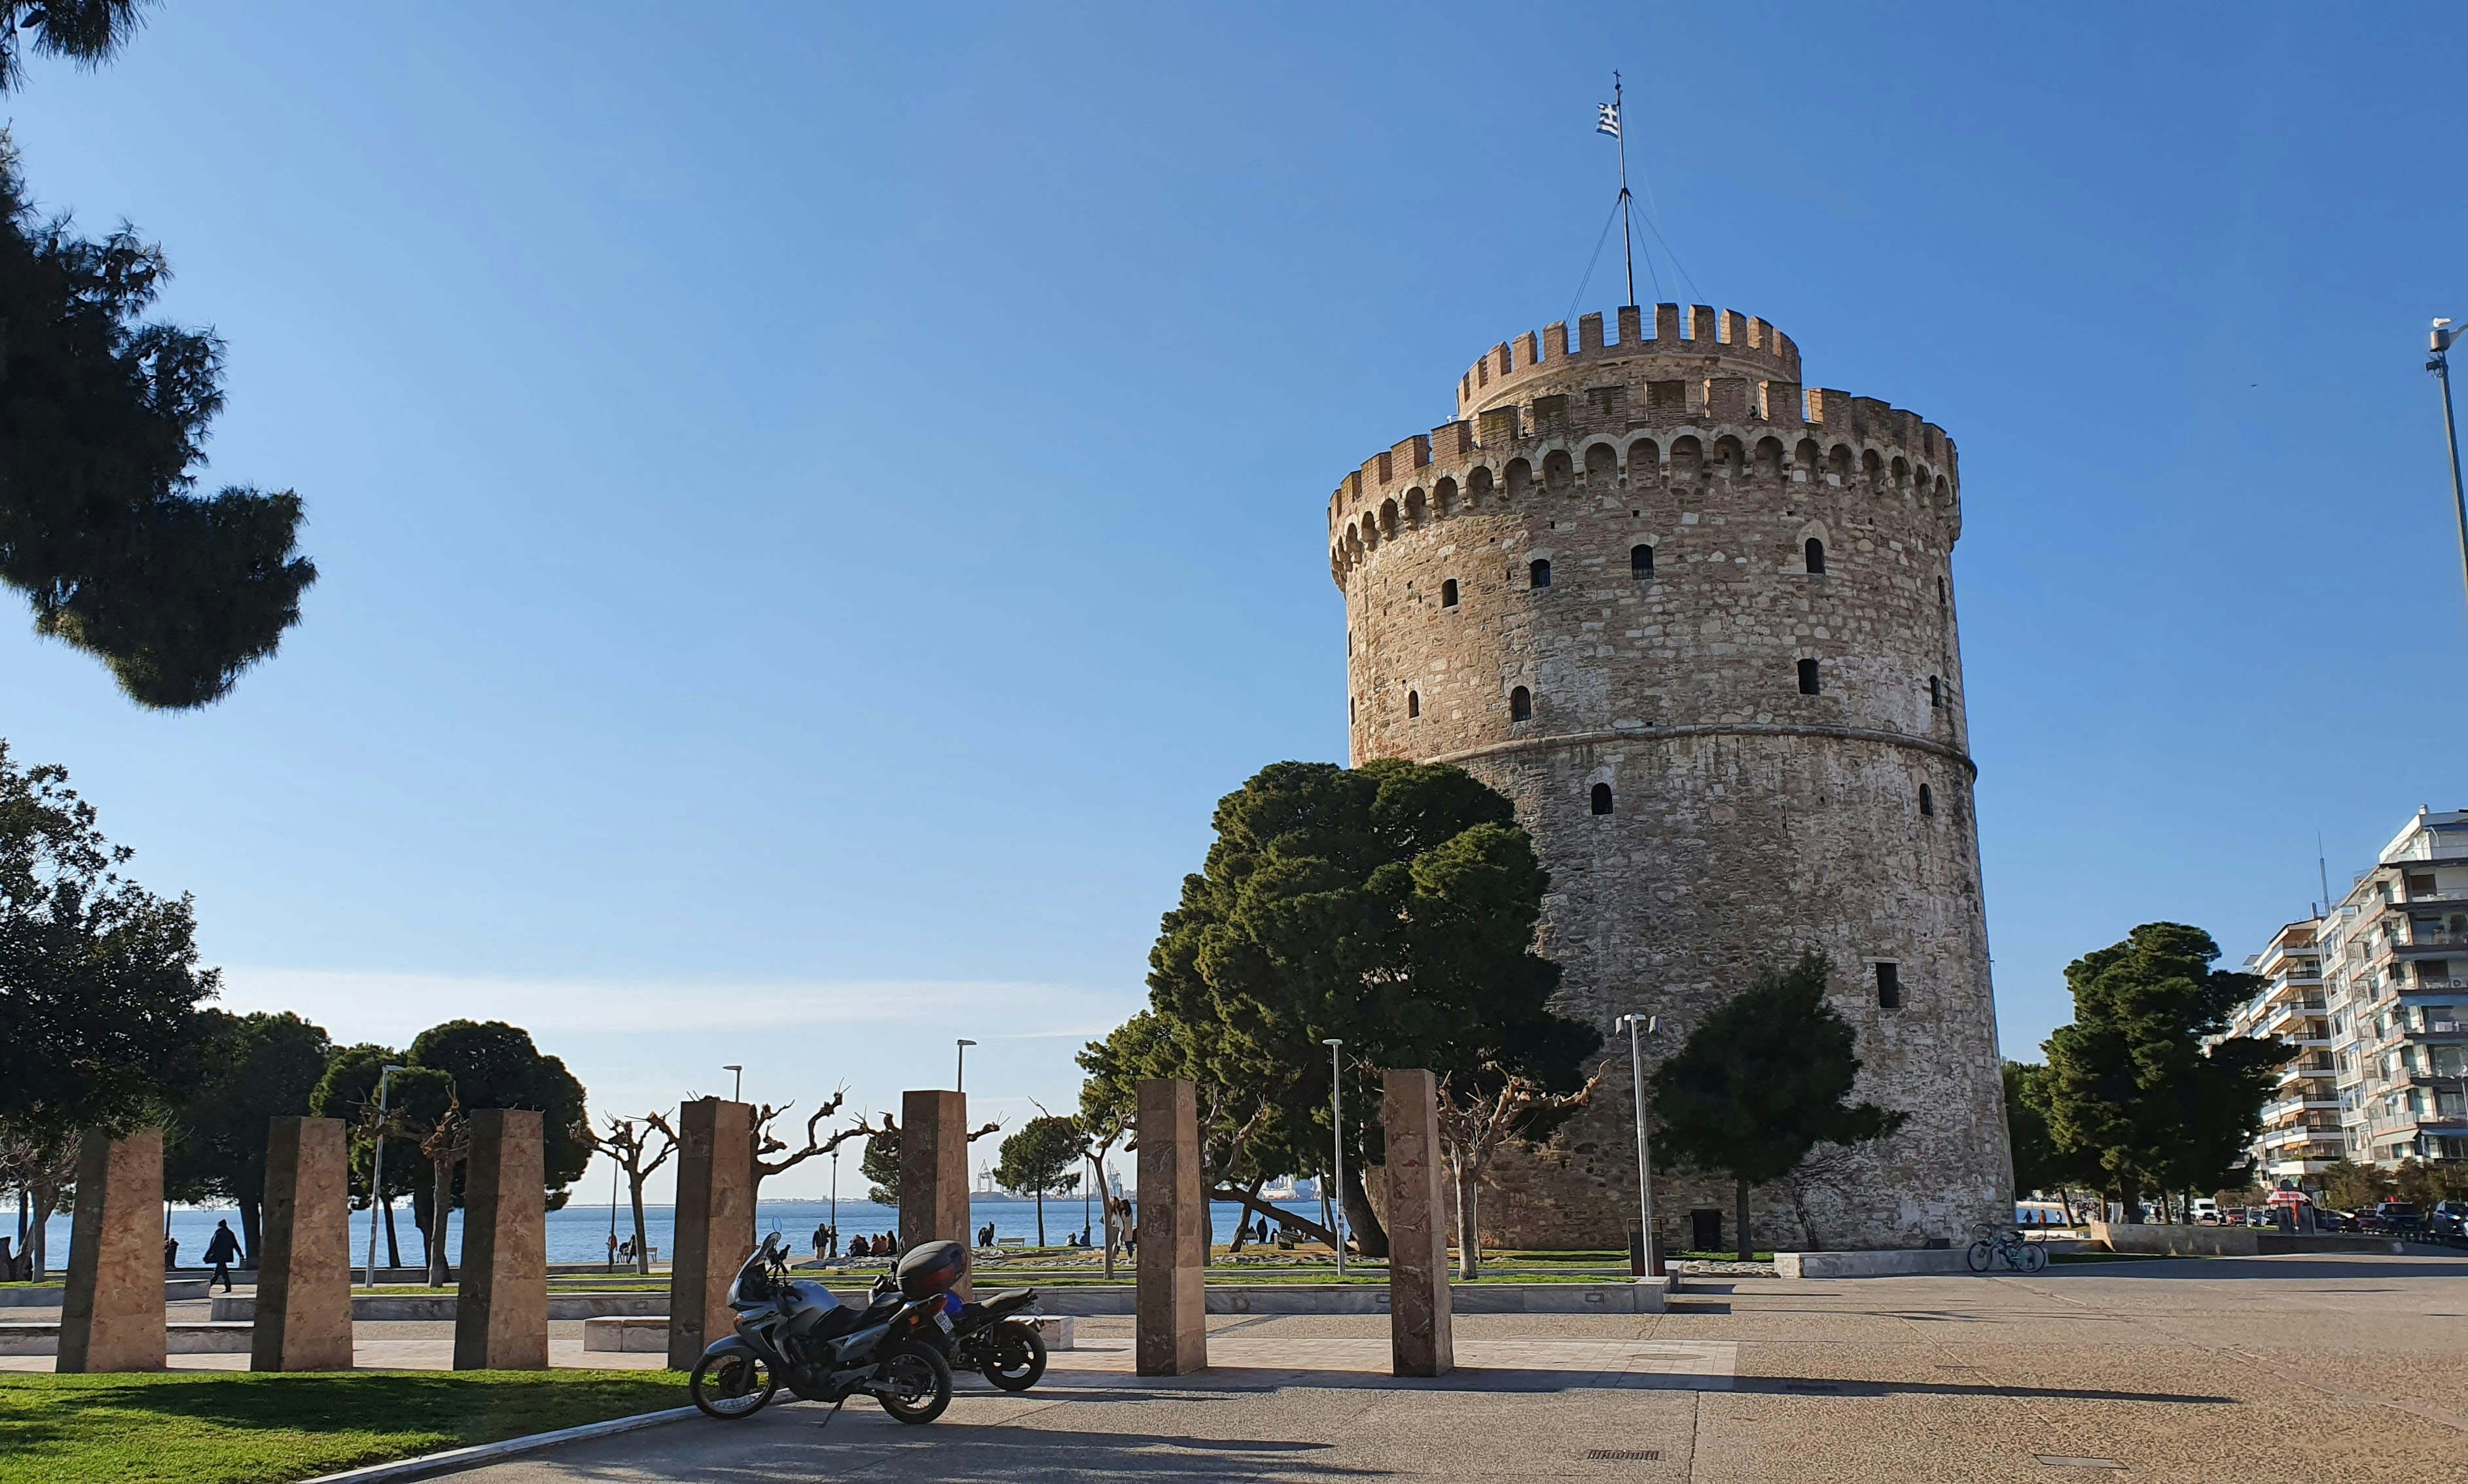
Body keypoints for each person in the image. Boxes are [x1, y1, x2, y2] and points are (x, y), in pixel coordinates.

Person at [203, 1220, 241, 1293]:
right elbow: (235, 1245)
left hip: (219, 1256)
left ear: (219, 1225)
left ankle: (207, 1287)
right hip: (227, 1256)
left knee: (220, 1273)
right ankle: (227, 1287)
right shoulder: (230, 1233)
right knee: (221, 1272)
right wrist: (240, 1254)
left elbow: (213, 1246)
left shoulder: (219, 1233)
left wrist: (206, 1256)